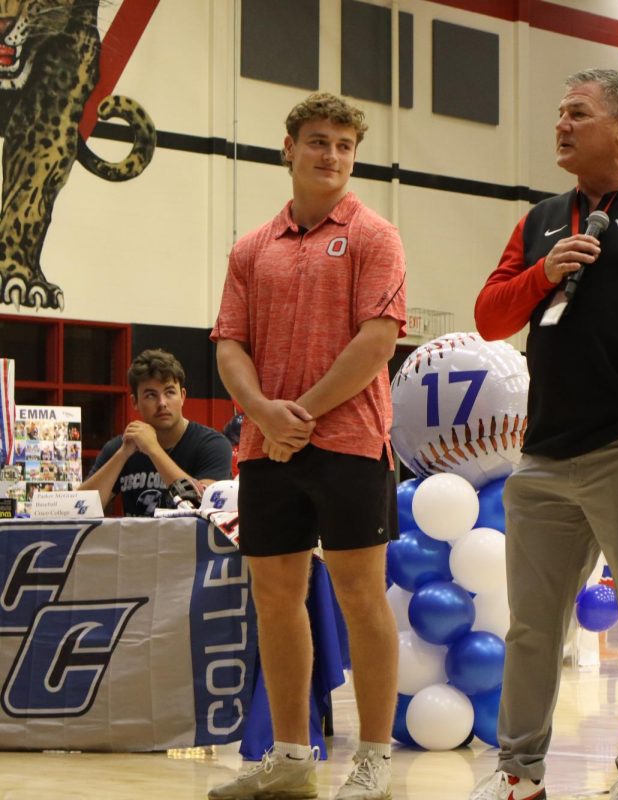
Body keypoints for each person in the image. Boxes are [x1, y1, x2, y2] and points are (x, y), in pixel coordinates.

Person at [470, 69, 618, 800]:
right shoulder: (541, 218)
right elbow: (488, 317)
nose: (561, 125)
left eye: (578, 114)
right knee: (532, 631)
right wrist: (543, 273)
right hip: (542, 455)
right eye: (559, 113)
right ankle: (519, 772)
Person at [209, 92, 406, 800]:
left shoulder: (376, 237)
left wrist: (302, 413)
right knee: (275, 599)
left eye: (345, 145)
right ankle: (292, 759)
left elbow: (377, 341)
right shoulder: (249, 249)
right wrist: (264, 411)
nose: (332, 156)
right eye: (318, 141)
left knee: (362, 597)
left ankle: (374, 762)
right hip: (266, 450)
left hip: (350, 443)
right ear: (288, 147)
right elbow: (230, 343)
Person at [81, 348, 232, 515]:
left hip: (188, 541)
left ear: (182, 397)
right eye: (151, 395)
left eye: (169, 392)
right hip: (136, 540)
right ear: (135, 402)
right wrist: (122, 454)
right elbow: (81, 508)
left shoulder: (213, 445)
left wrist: (153, 449)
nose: (162, 403)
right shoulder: (120, 447)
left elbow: (201, 505)